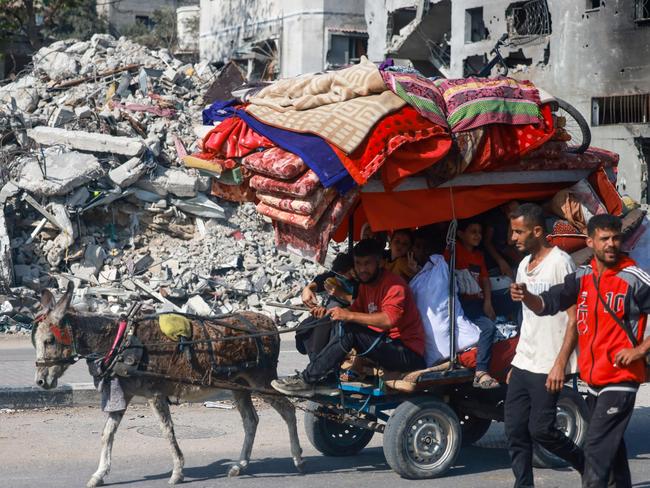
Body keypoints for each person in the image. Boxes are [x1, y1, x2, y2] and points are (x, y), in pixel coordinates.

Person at [510, 214, 650, 488]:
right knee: (613, 449)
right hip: (594, 380)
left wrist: (640, 350)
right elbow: (548, 304)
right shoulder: (582, 277)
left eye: (616, 238)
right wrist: (526, 296)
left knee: (596, 452)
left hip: (621, 380)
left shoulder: (634, 277)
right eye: (604, 239)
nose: (611, 244)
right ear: (590, 242)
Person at [272, 238, 426, 397]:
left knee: (350, 330)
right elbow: (354, 310)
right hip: (384, 344)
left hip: (406, 352)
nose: (362, 269)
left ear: (379, 263)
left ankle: (307, 380)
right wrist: (330, 313)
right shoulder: (367, 285)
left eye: (367, 264)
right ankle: (327, 377)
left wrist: (348, 315)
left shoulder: (395, 285)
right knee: (330, 322)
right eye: (358, 264)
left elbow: (388, 320)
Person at [504, 203, 584, 488]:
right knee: (514, 430)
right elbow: (527, 319)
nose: (513, 238)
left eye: (519, 232)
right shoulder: (523, 266)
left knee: (542, 430)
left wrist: (561, 363)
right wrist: (516, 360)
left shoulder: (561, 262)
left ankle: (587, 466)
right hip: (525, 361)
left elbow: (574, 319)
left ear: (537, 231)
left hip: (549, 363)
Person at [447, 218, 498, 388]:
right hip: (461, 304)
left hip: (477, 302)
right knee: (489, 328)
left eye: (479, 232)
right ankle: (481, 371)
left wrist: (488, 303)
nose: (478, 235)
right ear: (461, 234)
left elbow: (485, 280)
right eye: (473, 232)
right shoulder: (452, 252)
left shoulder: (479, 256)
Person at [296, 253, 358, 362]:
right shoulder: (336, 277)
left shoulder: (360, 282)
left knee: (323, 327)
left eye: (346, 273)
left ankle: (319, 363)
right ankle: (316, 361)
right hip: (331, 312)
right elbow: (321, 280)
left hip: (350, 315)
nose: (341, 277)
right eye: (339, 274)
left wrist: (341, 294)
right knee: (305, 327)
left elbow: (360, 304)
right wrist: (308, 288)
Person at [483, 201, 522, 279]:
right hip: (493, 264)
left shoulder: (520, 219)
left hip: (513, 262)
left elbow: (511, 241)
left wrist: (513, 217)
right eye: (508, 209)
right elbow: (487, 241)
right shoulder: (495, 217)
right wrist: (500, 260)